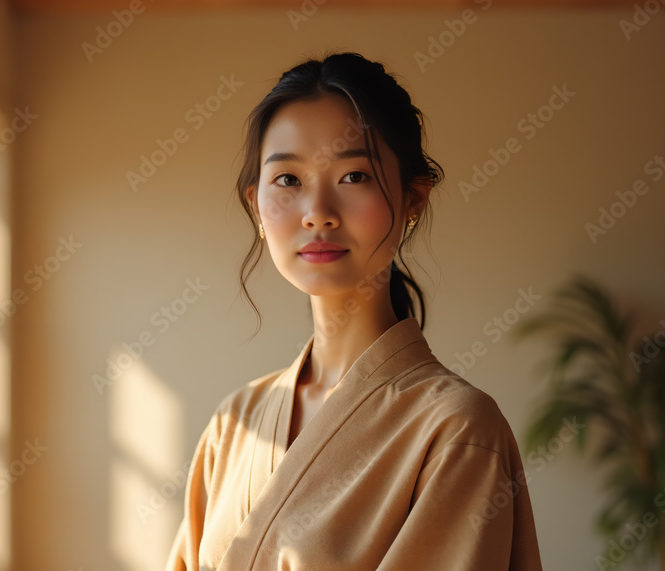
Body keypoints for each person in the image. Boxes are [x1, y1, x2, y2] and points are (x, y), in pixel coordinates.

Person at [164, 51, 543, 571]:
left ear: (414, 200)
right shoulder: (234, 422)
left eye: (354, 176)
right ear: (256, 206)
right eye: (288, 180)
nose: (317, 213)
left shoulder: (456, 431)